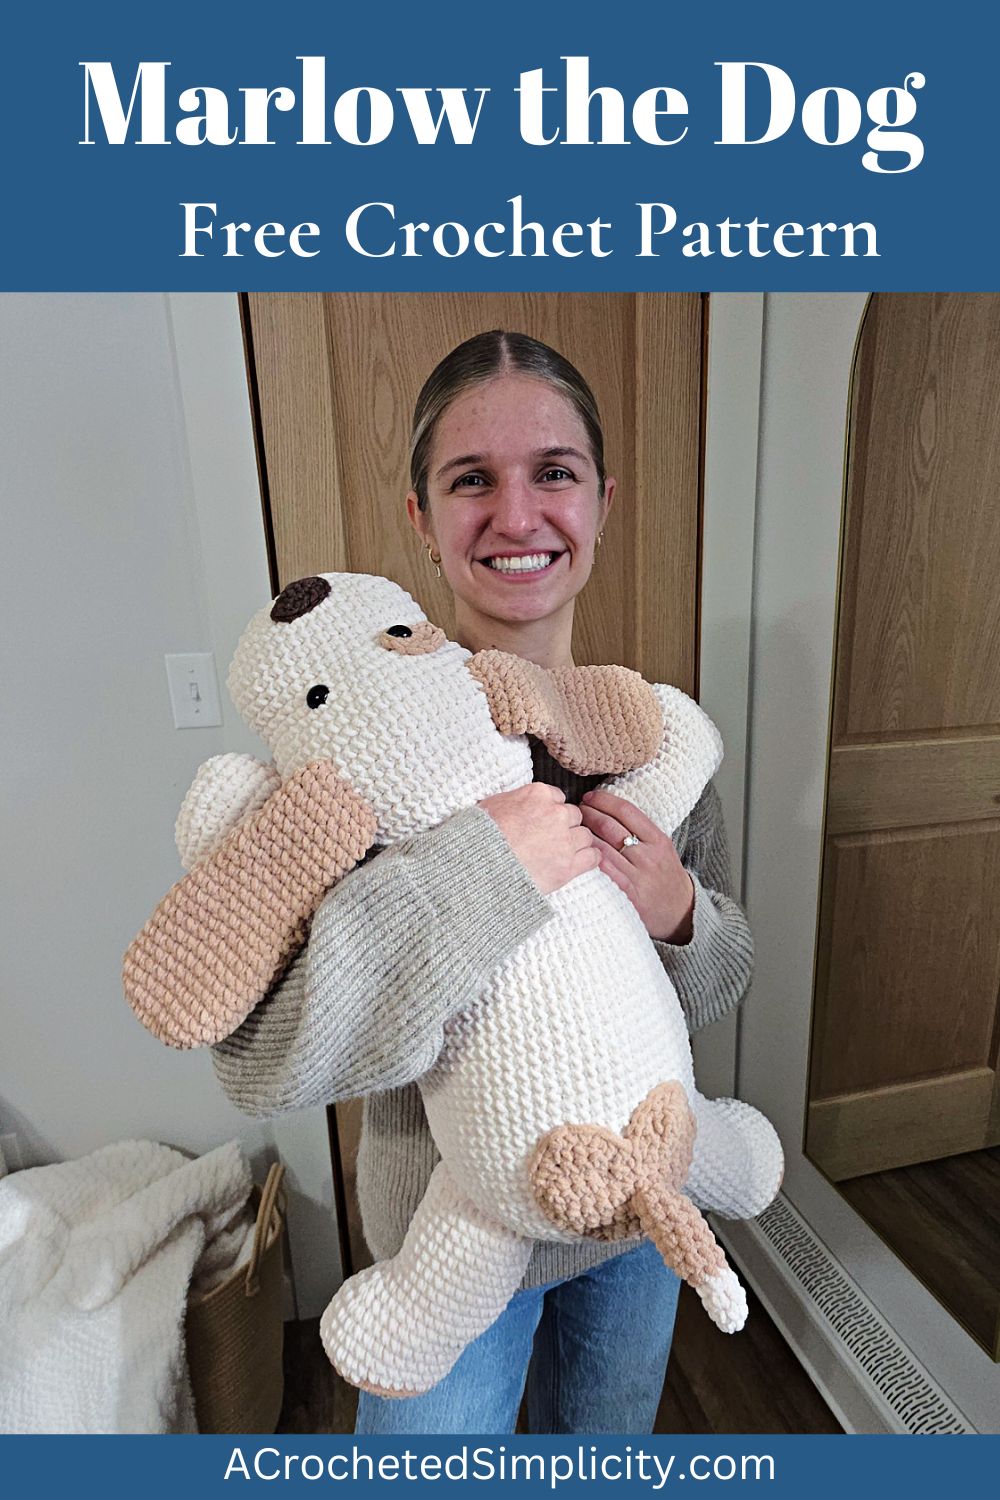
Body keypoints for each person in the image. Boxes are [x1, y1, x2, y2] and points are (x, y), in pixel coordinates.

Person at [212, 330, 754, 1434]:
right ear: (420, 515)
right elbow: (262, 1055)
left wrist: (684, 918)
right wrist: (480, 875)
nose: (517, 517)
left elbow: (717, 982)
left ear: (601, 501)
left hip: (639, 1217)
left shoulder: (656, 739)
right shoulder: (355, 755)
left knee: (606, 1446)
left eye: (552, 473)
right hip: (446, 1253)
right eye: (472, 481)